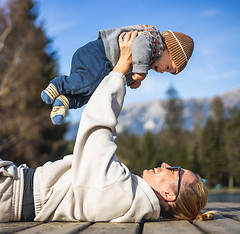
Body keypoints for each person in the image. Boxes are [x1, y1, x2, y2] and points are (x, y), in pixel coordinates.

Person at [0, 31, 213, 223]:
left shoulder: (125, 196)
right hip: (14, 185)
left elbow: (96, 132)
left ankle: (59, 87)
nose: (166, 164)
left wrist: (120, 70)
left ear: (169, 195)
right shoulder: (133, 197)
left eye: (175, 170)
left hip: (10, 191)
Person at [41, 24, 194, 125]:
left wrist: (133, 81)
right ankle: (59, 85)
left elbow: (122, 71)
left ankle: (65, 101)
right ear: (167, 47)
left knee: (91, 94)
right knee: (89, 81)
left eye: (166, 72)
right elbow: (140, 44)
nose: (161, 71)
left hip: (101, 67)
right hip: (97, 54)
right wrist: (140, 71)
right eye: (167, 67)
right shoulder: (153, 39)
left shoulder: (148, 58)